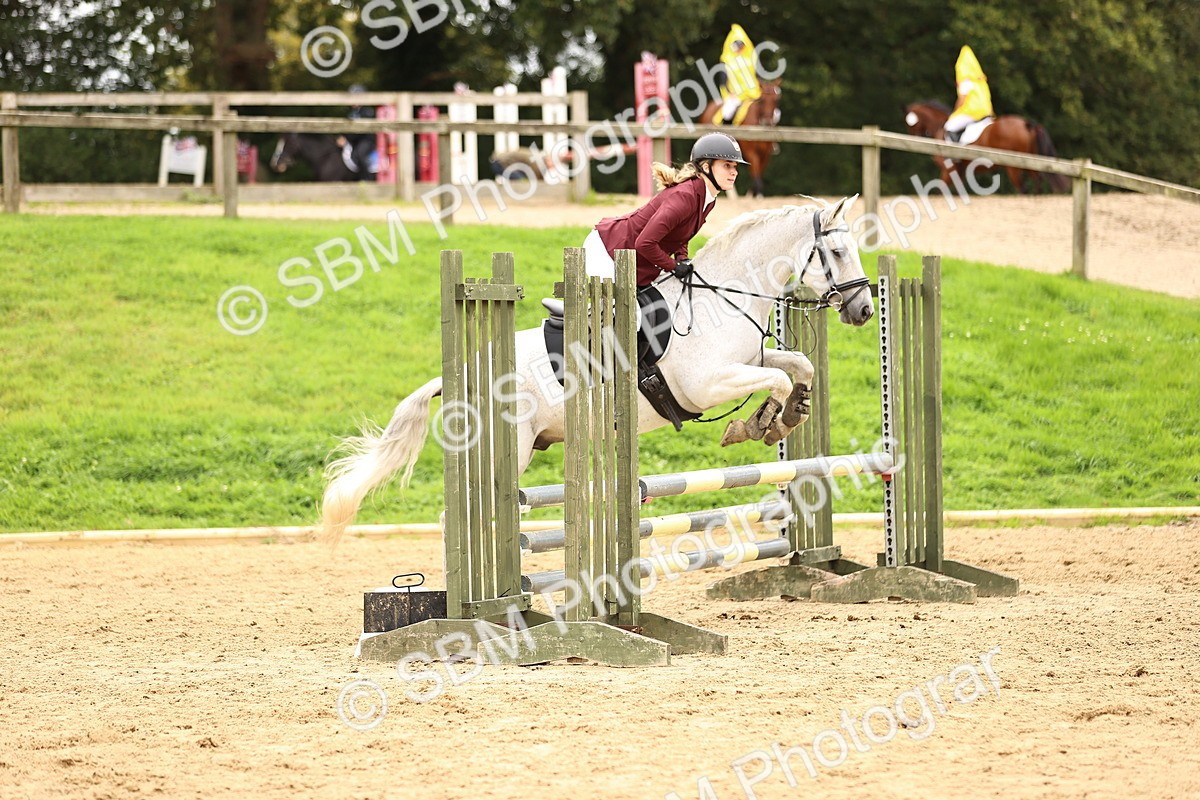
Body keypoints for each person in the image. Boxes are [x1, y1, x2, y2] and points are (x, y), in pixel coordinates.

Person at [584, 133, 747, 286]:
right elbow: (644, 243)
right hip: (607, 251)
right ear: (706, 167)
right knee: (626, 307)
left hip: (634, 259)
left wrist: (681, 257)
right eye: (727, 165)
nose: (734, 172)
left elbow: (681, 230)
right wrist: (673, 266)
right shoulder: (684, 197)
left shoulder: (708, 199)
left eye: (735, 167)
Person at [944, 45, 994, 143]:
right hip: (987, 114)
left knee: (948, 127)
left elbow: (962, 100)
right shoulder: (982, 83)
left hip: (971, 113)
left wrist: (954, 111)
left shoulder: (966, 82)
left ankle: (954, 150)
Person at [717, 24, 761, 125]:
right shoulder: (727, 60)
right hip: (735, 94)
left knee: (772, 111)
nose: (739, 49)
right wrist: (729, 93)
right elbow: (723, 80)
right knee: (728, 112)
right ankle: (727, 132)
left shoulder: (752, 58)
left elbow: (758, 76)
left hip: (753, 93)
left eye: (741, 46)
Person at [337, 84, 377, 176]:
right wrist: (341, 136)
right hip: (354, 140)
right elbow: (346, 127)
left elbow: (362, 130)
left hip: (366, 140)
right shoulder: (351, 113)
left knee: (360, 153)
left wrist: (347, 138)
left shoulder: (367, 112)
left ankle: (366, 178)